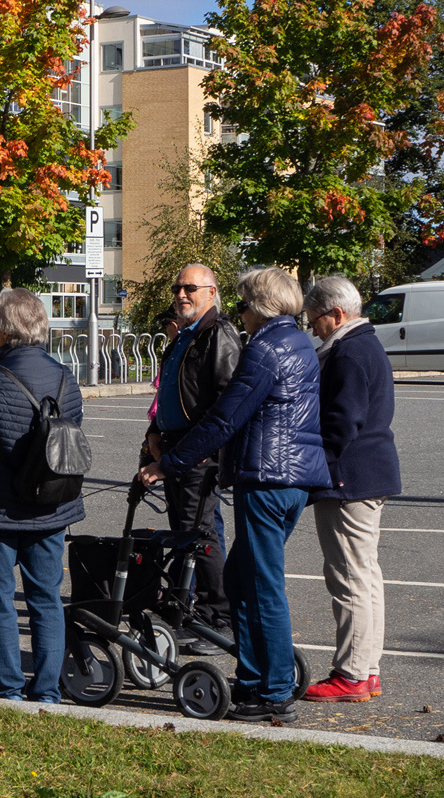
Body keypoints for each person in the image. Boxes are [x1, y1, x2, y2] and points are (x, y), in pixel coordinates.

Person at [138, 267, 330, 723]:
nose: (240, 314)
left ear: (261, 307)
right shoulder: (299, 341)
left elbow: (226, 418)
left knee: (262, 586)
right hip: (290, 478)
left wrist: (169, 463)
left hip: (267, 477)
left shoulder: (266, 347)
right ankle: (253, 678)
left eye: (243, 305)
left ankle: (273, 689)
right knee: (242, 580)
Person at [0, 289, 83, 703]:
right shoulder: (67, 377)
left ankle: (7, 684)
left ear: (3, 332)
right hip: (52, 501)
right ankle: (46, 689)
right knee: (46, 597)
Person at [302, 276, 401, 703]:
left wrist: (310, 471)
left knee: (349, 577)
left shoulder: (348, 352)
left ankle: (353, 673)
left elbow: (340, 424)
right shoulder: (365, 345)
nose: (313, 329)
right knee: (365, 575)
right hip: (366, 473)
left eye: (315, 321)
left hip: (348, 477)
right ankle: (367, 667)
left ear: (336, 314)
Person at [143, 263, 242, 653]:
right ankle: (192, 609)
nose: (181, 294)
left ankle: (219, 617)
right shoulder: (186, 335)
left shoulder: (218, 334)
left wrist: (197, 452)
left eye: (190, 288)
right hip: (175, 449)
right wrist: (153, 433)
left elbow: (225, 404)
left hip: (198, 455)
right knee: (187, 534)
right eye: (177, 287)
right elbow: (169, 391)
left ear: (211, 293)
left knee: (201, 535)